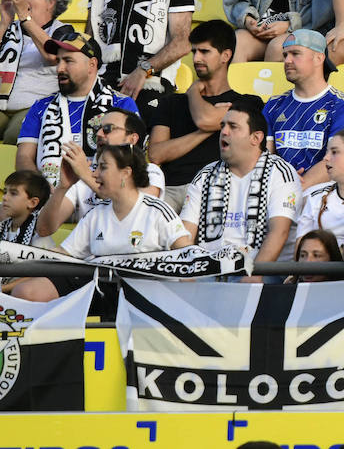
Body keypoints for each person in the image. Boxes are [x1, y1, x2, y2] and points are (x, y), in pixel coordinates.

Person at [11, 147, 190, 302]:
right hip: (101, 288)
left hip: (146, 293)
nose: (94, 174)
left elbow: (189, 257)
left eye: (103, 167)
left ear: (125, 173)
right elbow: (61, 255)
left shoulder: (157, 210)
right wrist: (12, 270)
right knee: (26, 292)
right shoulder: (96, 213)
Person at [181, 99, 302, 263]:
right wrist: (189, 272)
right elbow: (184, 235)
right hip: (211, 273)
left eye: (233, 126)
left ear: (256, 138)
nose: (223, 132)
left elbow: (279, 232)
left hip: (263, 273)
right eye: (222, 125)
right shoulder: (205, 175)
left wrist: (255, 275)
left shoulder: (280, 172)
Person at [145, 20, 241, 213]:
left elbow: (204, 120)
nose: (196, 58)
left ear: (226, 55)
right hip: (170, 190)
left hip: (216, 188)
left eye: (204, 52)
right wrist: (206, 130)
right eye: (194, 52)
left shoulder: (244, 103)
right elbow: (156, 154)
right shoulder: (171, 102)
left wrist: (193, 93)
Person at [34, 106, 164, 238]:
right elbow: (44, 230)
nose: (99, 134)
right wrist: (62, 187)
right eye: (98, 129)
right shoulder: (82, 173)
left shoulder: (150, 171)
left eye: (108, 129)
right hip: (91, 253)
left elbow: (139, 210)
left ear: (132, 139)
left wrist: (85, 175)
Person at [263, 29, 344, 186]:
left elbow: (337, 160)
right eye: (285, 55)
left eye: (295, 54)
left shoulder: (341, 106)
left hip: (323, 195)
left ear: (318, 58)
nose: (287, 61)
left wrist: (296, 187)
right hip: (277, 190)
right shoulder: (273, 105)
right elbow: (263, 156)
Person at [0, 0, 68, 146]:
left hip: (35, 106)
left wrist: (25, 18)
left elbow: (52, 54)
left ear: (51, 2)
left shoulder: (62, 31)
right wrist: (4, 22)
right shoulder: (10, 28)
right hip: (2, 104)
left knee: (15, 135)